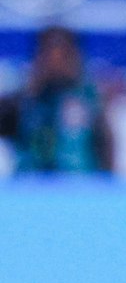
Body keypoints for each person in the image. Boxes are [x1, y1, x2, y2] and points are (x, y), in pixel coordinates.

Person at [0, 27, 112, 175]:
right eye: (48, 54)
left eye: (62, 55)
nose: (55, 62)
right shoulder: (23, 100)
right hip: (31, 181)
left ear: (75, 56)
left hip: (80, 180)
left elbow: (106, 145)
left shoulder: (90, 98)